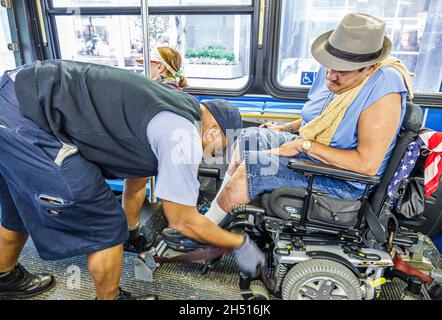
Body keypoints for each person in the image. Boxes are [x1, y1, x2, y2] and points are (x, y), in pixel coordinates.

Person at [0, 60, 265, 300]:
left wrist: (131, 232)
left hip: (15, 93)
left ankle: (5, 277)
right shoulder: (183, 135)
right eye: (221, 147)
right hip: (28, 114)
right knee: (103, 222)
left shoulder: (170, 108)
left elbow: (136, 181)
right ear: (212, 133)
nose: (214, 156)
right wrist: (237, 244)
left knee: (18, 205)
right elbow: (182, 220)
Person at [186, 12, 415, 227]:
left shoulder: (384, 88)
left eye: (343, 71)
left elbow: (366, 165)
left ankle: (206, 231)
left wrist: (303, 145)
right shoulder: (336, 75)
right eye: (330, 66)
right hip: (317, 154)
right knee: (247, 138)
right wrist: (285, 128)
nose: (331, 75)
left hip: (344, 181)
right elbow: (319, 118)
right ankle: (221, 213)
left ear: (369, 68)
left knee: (254, 167)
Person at [125, 47, 188, 253]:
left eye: (147, 64)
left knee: (134, 187)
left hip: (147, 146)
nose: (142, 68)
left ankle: (130, 234)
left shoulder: (152, 92)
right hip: (171, 148)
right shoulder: (176, 91)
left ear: (160, 67)